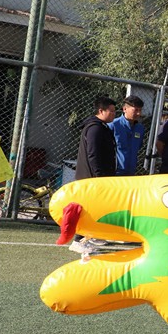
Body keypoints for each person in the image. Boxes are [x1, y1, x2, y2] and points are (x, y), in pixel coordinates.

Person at [71, 95, 117, 254]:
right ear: (101, 111)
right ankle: (77, 240)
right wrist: (99, 177)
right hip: (91, 178)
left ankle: (92, 235)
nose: (114, 114)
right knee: (87, 209)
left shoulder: (102, 127)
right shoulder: (95, 128)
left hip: (97, 177)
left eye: (114, 111)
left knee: (98, 208)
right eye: (111, 111)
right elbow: (93, 154)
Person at [109, 95, 145, 176]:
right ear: (124, 109)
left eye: (140, 110)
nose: (138, 113)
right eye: (135, 110)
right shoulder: (113, 125)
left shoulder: (140, 128)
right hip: (114, 173)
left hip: (130, 173)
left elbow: (138, 147)